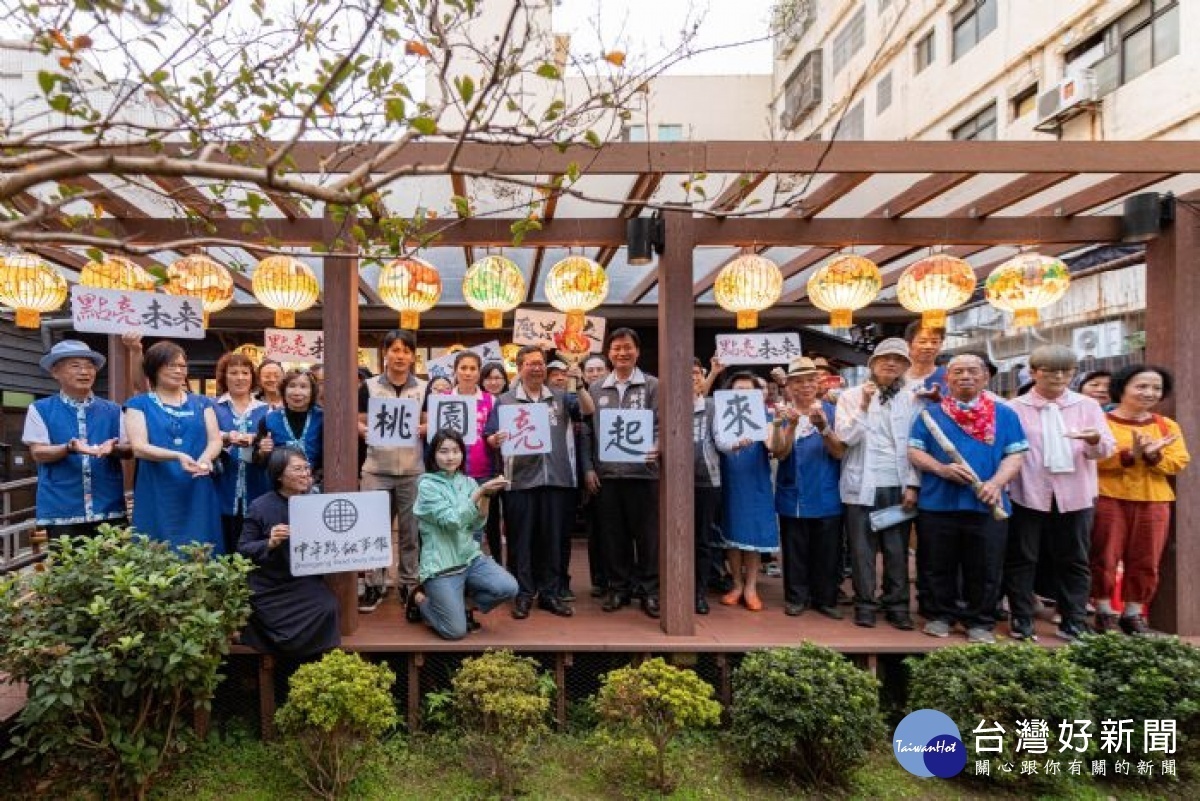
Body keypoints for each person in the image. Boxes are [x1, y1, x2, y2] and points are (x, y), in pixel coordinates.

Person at [908, 354, 1028, 643]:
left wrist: (997, 483)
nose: (965, 377)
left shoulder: (1005, 414)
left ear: (986, 377)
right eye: (958, 372)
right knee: (937, 563)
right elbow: (914, 451)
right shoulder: (930, 414)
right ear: (947, 379)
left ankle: (980, 621)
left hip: (987, 502)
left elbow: (1016, 454)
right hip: (938, 502)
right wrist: (941, 469)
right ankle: (940, 616)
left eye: (973, 371)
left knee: (985, 565)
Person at [1005, 345, 1116, 642]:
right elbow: (1007, 448)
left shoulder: (1087, 406)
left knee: (1075, 558)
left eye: (1065, 371)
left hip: (1075, 492)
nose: (1057, 376)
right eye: (1049, 370)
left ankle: (1074, 620)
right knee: (1023, 557)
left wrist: (1093, 439)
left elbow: (1105, 448)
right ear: (1033, 372)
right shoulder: (1015, 408)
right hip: (1028, 490)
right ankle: (1022, 617)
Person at [484, 345, 593, 619]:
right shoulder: (505, 401)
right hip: (519, 481)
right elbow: (489, 435)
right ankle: (522, 594)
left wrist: (578, 383)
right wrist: (495, 440)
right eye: (531, 363)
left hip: (558, 479)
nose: (537, 367)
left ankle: (550, 594)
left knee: (554, 539)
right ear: (520, 368)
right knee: (521, 540)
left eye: (541, 363)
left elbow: (588, 411)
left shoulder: (562, 397)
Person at [1091, 364, 1190, 635]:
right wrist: (1130, 454)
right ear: (1122, 388)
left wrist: (1153, 455)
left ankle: (1133, 613)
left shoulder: (1166, 425)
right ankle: (1103, 611)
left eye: (1156, 388)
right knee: (1103, 555)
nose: (1149, 392)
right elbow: (1092, 458)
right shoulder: (1102, 421)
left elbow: (1178, 462)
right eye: (1141, 386)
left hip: (1154, 500)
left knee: (1146, 558)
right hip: (1108, 497)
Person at [834, 338, 920, 630]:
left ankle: (897, 605)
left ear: (906, 366)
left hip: (897, 483)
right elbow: (845, 438)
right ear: (872, 364)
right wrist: (863, 406)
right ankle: (865, 604)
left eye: (898, 360)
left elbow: (915, 445)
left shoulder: (912, 399)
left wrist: (913, 484)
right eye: (885, 359)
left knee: (897, 550)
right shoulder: (850, 396)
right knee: (862, 550)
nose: (891, 364)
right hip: (861, 484)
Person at [410, 430, 517, 639]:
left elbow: (478, 523)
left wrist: (486, 495)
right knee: (455, 631)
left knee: (509, 588)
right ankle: (419, 599)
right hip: (441, 566)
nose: (450, 457)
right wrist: (480, 491)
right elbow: (453, 521)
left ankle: (462, 605)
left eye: (455, 451)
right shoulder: (426, 485)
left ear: (462, 454)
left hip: (469, 559)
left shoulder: (467, 482)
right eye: (443, 452)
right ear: (433, 455)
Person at [587, 328, 662, 618]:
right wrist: (589, 468)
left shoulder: (653, 386)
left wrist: (658, 445)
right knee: (612, 536)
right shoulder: (596, 389)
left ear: (637, 351)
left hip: (643, 474)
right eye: (616, 348)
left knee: (647, 536)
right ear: (609, 353)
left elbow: (661, 423)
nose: (622, 353)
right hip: (607, 475)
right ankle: (618, 588)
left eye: (627, 347)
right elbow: (589, 435)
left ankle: (650, 590)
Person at [237, 448, 340, 657]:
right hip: (268, 584)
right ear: (279, 475)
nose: (305, 474)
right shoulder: (260, 506)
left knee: (327, 608)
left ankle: (314, 666)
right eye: (297, 469)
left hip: (302, 580)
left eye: (306, 468)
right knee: (265, 615)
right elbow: (243, 548)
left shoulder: (317, 503)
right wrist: (270, 542)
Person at [23, 340, 130, 540]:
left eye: (90, 366)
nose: (85, 372)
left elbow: (129, 449)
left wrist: (113, 449)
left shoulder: (114, 410)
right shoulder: (40, 409)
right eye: (75, 366)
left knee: (116, 568)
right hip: (62, 509)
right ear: (56, 372)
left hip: (109, 505)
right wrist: (69, 448)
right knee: (66, 570)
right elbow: (38, 452)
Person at [124, 341, 223, 551]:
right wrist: (177, 456)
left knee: (202, 546)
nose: (178, 370)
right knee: (157, 545)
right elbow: (139, 447)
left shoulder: (202, 402)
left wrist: (206, 458)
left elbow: (215, 440)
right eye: (171, 365)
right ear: (154, 367)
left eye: (182, 365)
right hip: (157, 486)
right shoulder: (138, 404)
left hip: (198, 483)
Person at [358, 329, 427, 610]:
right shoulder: (369, 387)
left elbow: (427, 421)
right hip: (376, 468)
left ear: (413, 357)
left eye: (405, 351)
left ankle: (409, 583)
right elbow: (359, 421)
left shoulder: (424, 387)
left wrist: (425, 428)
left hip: (412, 469)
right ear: (384, 354)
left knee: (412, 531)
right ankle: (376, 584)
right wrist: (365, 432)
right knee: (376, 529)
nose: (400, 356)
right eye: (394, 350)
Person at [773, 357, 845, 619]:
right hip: (793, 492)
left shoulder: (835, 411)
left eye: (810, 380)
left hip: (827, 491)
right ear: (789, 386)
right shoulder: (782, 413)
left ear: (819, 382)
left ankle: (826, 599)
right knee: (794, 549)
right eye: (798, 381)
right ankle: (796, 597)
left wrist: (823, 427)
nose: (805, 386)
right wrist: (790, 426)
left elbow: (839, 452)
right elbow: (779, 453)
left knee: (828, 549)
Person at [714, 371, 782, 612]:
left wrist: (770, 430)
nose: (742, 394)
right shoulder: (721, 415)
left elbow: (774, 447)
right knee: (732, 534)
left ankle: (751, 586)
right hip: (730, 479)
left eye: (748, 390)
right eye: (737, 390)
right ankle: (736, 584)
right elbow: (718, 444)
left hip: (756, 481)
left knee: (752, 537)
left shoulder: (768, 416)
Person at [213, 353, 271, 555]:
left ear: (252, 377)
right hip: (221, 485)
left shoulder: (266, 410)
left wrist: (259, 443)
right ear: (224, 376)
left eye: (245, 373)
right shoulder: (212, 407)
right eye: (233, 372)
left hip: (258, 484)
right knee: (224, 543)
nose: (240, 378)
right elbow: (203, 437)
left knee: (255, 541)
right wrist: (226, 438)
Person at [690, 358, 721, 615]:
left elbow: (722, 439)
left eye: (696, 374)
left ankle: (699, 592)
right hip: (671, 482)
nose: (691, 378)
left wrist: (736, 443)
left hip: (706, 481)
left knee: (702, 539)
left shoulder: (712, 406)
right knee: (673, 537)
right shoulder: (668, 405)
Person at [259, 370, 324, 480]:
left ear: (312, 392)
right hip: (280, 486)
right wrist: (262, 452)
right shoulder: (268, 419)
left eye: (303, 387)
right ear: (283, 390)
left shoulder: (323, 418)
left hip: (316, 485)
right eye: (292, 386)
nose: (297, 392)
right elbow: (258, 460)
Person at [904, 321, 948, 398]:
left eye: (934, 342)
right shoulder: (896, 378)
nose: (928, 346)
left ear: (941, 345)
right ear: (909, 345)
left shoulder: (949, 377)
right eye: (922, 342)